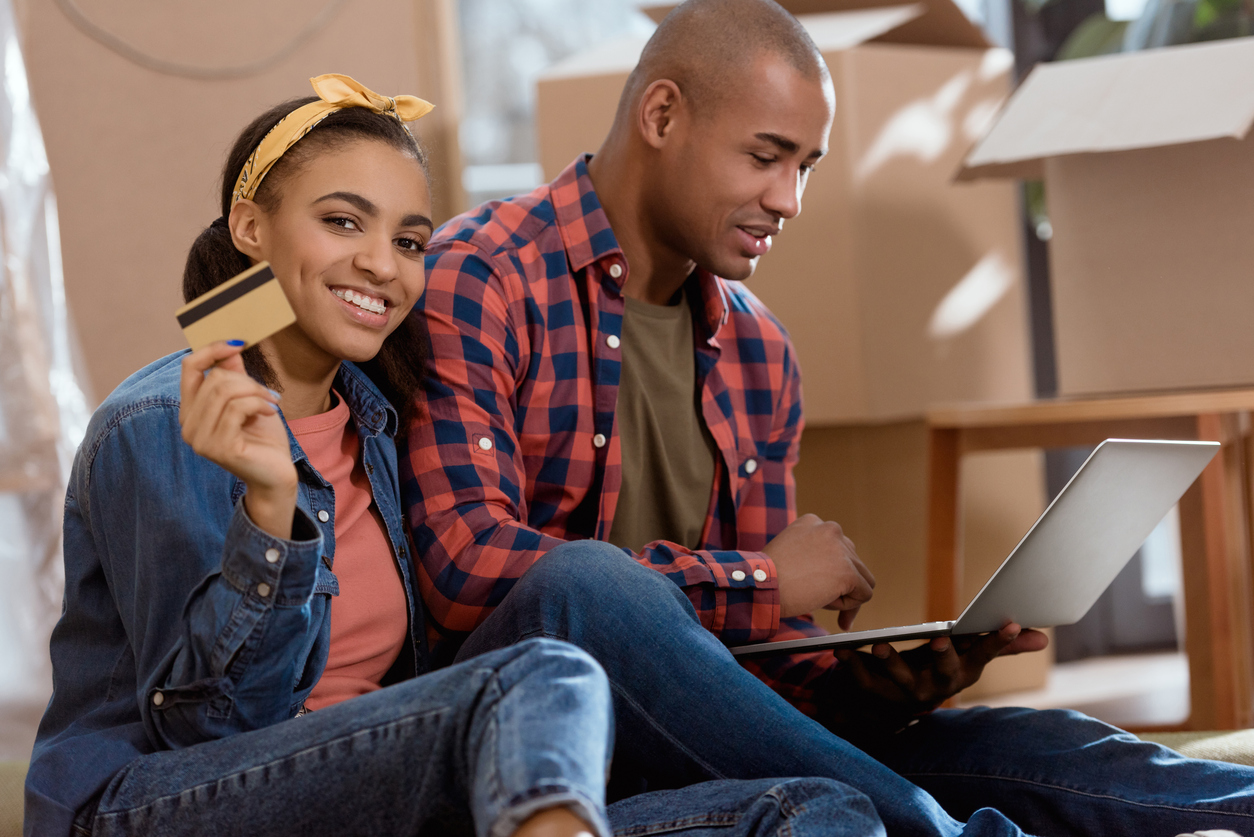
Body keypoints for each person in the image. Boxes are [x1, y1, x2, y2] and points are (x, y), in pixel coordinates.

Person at [402, 1, 1254, 834]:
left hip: (717, 735)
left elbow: (772, 665)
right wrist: (763, 580)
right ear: (662, 113)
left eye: (805, 165)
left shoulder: (759, 347)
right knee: (583, 583)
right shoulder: (481, 277)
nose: (791, 199)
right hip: (540, 746)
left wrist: (876, 683)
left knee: (1039, 746)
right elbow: (469, 569)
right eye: (766, 157)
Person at [24, 73, 886, 837]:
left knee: (810, 810)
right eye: (341, 222)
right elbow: (212, 728)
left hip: (376, 789)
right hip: (161, 802)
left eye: (408, 240)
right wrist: (271, 509)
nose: (381, 264)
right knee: (540, 676)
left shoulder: (376, 419)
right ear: (250, 227)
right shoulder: (158, 424)